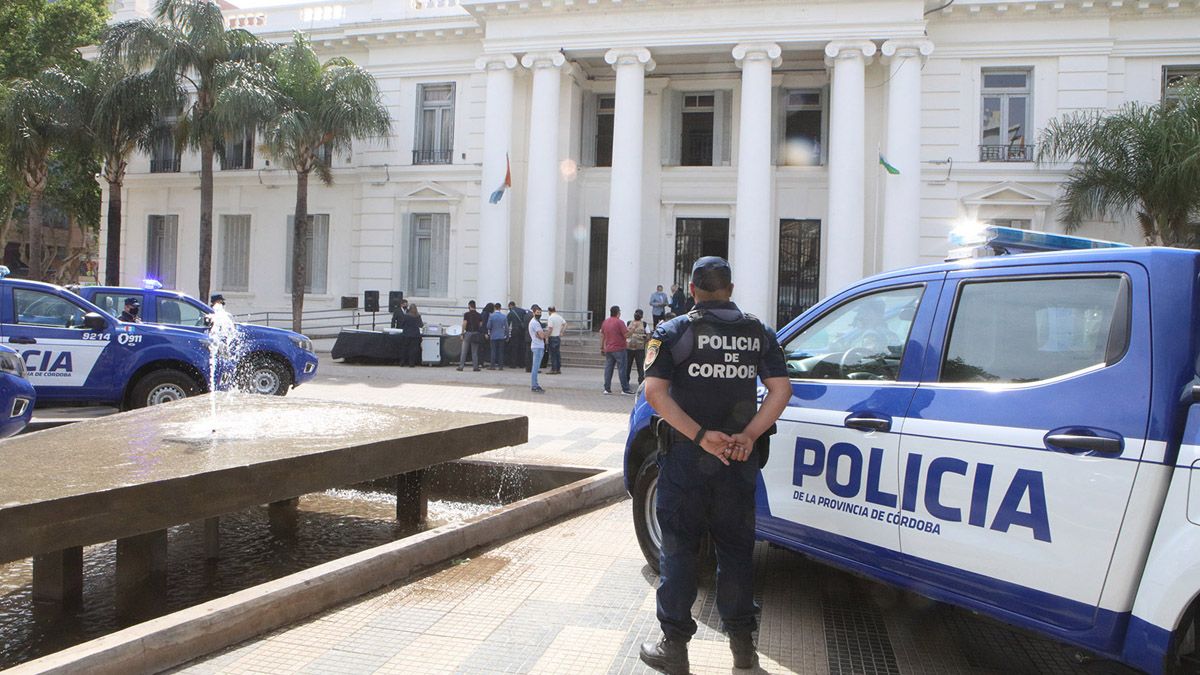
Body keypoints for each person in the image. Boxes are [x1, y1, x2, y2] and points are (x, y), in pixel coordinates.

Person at [638, 256, 791, 675]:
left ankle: (674, 649)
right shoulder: (758, 331)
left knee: (681, 552)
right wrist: (751, 433)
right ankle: (744, 655)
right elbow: (781, 389)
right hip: (738, 460)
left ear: (691, 290)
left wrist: (701, 436)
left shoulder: (673, 331)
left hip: (688, 461)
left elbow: (654, 393)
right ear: (731, 288)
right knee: (737, 555)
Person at [600, 305, 632, 395]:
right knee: (622, 369)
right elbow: (626, 335)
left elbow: (602, 335)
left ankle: (607, 388)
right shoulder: (620, 322)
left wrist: (602, 347)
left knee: (608, 369)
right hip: (619, 349)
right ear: (618, 313)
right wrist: (632, 330)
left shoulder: (605, 322)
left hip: (608, 348)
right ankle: (625, 389)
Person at [458, 300, 483, 372]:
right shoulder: (479, 315)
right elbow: (481, 324)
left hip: (468, 333)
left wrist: (462, 333)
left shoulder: (466, 314)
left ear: (469, 306)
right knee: (474, 352)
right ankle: (475, 367)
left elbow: (464, 324)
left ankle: (461, 366)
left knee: (464, 351)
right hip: (476, 334)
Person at [625, 308, 649, 385]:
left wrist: (643, 342)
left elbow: (648, 335)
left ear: (641, 316)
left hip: (640, 349)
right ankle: (626, 382)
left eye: (638, 314)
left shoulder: (644, 324)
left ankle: (641, 382)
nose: (637, 315)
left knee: (640, 367)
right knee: (628, 366)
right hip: (629, 348)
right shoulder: (629, 322)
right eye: (636, 313)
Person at [528, 304, 546, 393]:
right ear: (533, 313)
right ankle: (534, 385)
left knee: (536, 366)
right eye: (537, 312)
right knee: (535, 367)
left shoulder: (536, 322)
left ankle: (535, 384)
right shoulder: (535, 323)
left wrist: (541, 335)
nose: (539, 314)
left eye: (540, 312)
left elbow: (540, 335)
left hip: (538, 346)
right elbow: (542, 335)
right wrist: (546, 333)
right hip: (537, 346)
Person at [545, 306, 568, 374]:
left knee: (553, 354)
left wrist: (547, 337)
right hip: (557, 337)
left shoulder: (550, 318)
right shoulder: (559, 317)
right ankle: (558, 368)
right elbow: (565, 324)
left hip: (552, 337)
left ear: (549, 311)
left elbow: (550, 329)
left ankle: (554, 369)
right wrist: (561, 332)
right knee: (557, 353)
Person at [506, 301, 528, 369]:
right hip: (522, 330)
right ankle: (521, 364)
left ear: (510, 306)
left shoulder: (511, 312)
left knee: (514, 348)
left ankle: (513, 364)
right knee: (522, 347)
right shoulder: (522, 311)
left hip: (515, 331)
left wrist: (507, 333)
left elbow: (507, 323)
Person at [487, 302, 508, 370]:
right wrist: (506, 335)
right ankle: (500, 366)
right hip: (501, 335)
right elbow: (507, 327)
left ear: (495, 308)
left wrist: (490, 330)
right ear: (500, 308)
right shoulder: (504, 316)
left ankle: (492, 366)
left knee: (493, 351)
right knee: (501, 351)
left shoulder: (491, 316)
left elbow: (488, 326)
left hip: (493, 335)